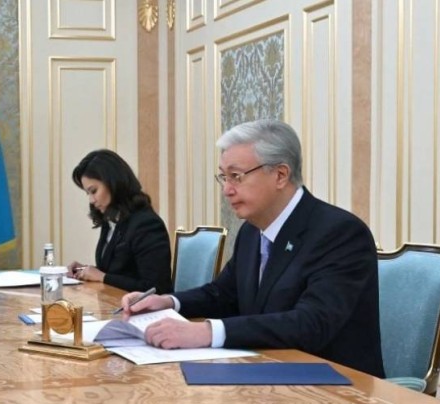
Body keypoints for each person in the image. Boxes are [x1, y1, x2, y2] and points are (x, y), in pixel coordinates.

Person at [119, 119, 385, 378]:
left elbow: (312, 323)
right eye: (223, 177)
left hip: (336, 386)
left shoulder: (339, 232)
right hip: (266, 371)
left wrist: (208, 332)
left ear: (280, 175)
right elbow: (223, 294)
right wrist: (168, 302)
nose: (226, 190)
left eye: (236, 176)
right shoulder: (251, 231)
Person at [65, 149, 172, 293]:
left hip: (143, 307)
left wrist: (102, 277)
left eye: (94, 191)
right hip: (114, 302)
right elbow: (117, 272)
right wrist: (85, 270)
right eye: (88, 193)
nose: (91, 200)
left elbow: (156, 288)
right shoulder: (111, 221)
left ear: (112, 183)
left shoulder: (147, 224)